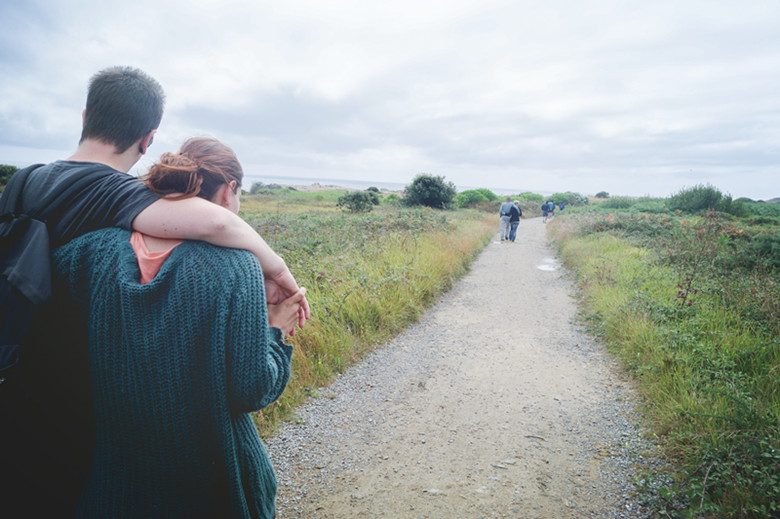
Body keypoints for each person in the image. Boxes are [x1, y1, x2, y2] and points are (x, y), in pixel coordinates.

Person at [0, 66, 306, 516]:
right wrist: (277, 283)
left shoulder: (26, 185)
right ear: (147, 140)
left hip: (31, 402)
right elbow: (216, 223)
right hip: (101, 431)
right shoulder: (114, 195)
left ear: (85, 115)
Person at [62, 137, 300, 518]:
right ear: (229, 191)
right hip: (219, 486)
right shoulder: (237, 267)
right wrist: (276, 330)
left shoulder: (90, 251)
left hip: (115, 487)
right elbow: (251, 389)